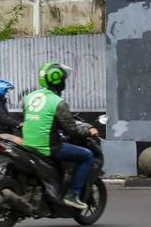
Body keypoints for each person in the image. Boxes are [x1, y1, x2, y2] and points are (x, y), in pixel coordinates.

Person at [20, 61, 99, 211]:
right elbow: (71, 130)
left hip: (27, 145)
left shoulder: (28, 98)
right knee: (87, 155)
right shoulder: (58, 102)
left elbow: (30, 118)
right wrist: (88, 131)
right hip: (48, 147)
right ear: (58, 80)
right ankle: (72, 194)